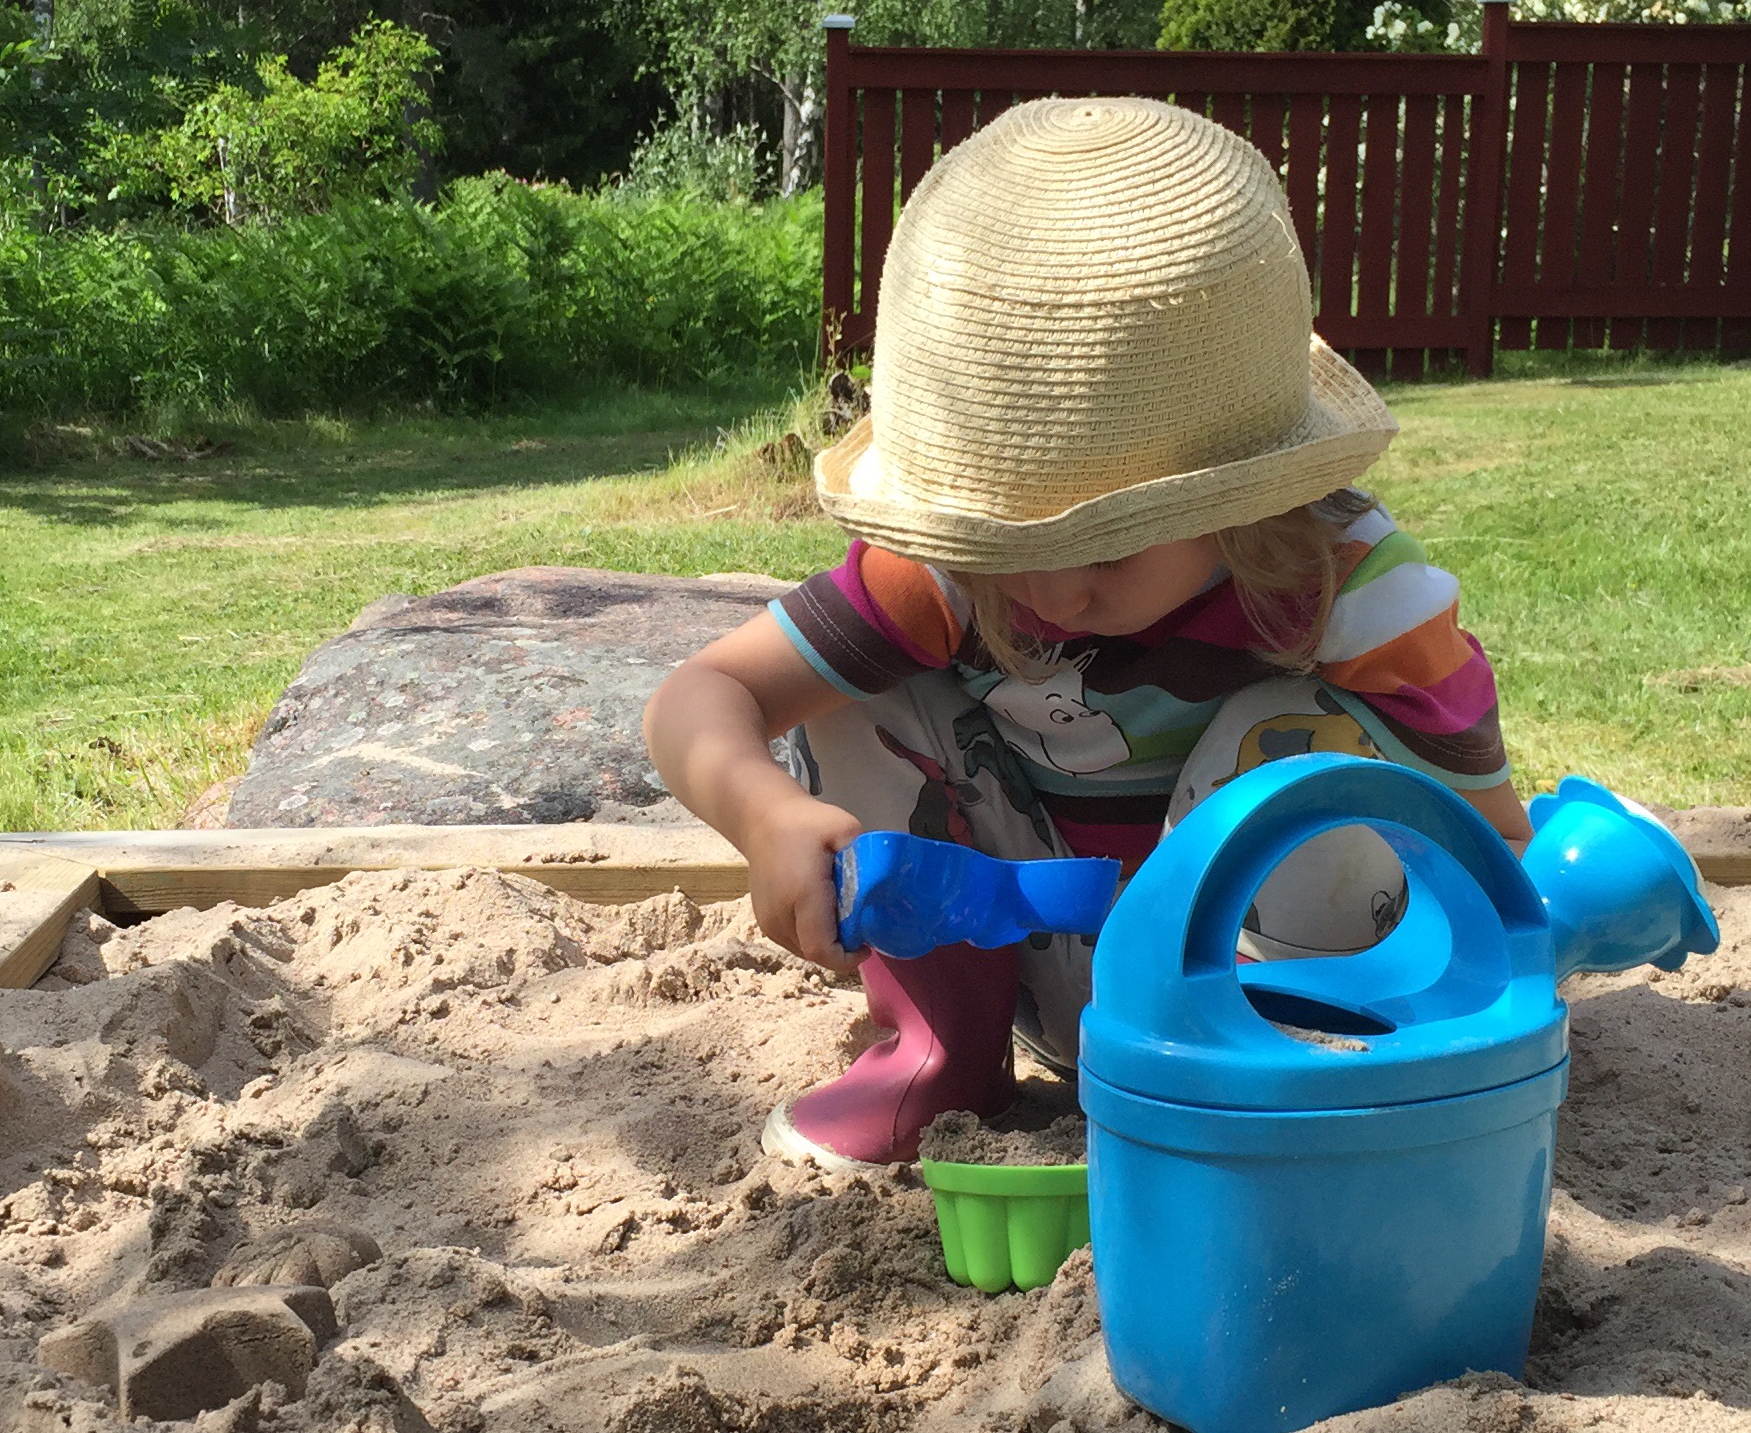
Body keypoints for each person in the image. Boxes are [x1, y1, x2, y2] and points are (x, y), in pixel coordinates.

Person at [644, 97, 1529, 1168]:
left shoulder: (1353, 592)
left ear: (1244, 499)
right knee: (864, 688)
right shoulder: (950, 577)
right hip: (1043, 955)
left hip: (1288, 999)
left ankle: (1251, 1090)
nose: (1055, 593)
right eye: (1005, 542)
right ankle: (940, 1052)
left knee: (1287, 734)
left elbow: (1499, 856)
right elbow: (700, 697)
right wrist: (767, 813)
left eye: (1109, 546)